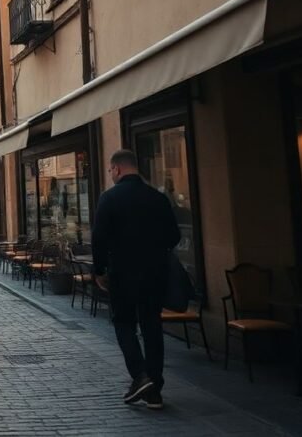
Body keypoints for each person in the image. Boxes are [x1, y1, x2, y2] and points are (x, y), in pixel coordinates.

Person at [92, 149, 181, 410]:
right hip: (155, 273)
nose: (110, 174)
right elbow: (174, 236)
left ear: (117, 169)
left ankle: (140, 376)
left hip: (123, 273)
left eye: (110, 171)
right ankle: (155, 388)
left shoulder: (109, 198)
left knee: (124, 323)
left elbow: (99, 238)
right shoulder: (158, 198)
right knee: (152, 326)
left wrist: (99, 270)